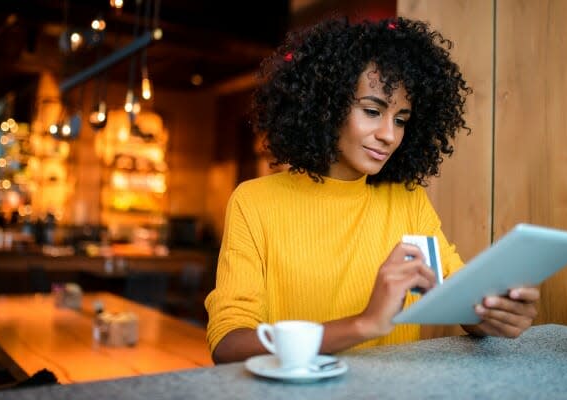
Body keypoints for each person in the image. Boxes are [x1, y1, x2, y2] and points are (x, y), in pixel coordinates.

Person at [205, 17, 540, 364]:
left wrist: (494, 312)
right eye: (372, 110)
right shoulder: (255, 202)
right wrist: (363, 324)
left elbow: (459, 298)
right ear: (326, 106)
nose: (389, 135)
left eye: (401, 120)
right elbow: (229, 345)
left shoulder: (407, 201)